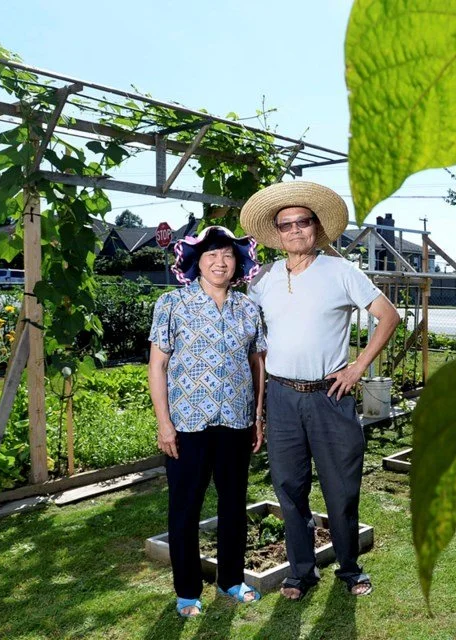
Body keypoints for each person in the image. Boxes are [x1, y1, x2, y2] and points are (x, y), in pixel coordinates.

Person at [241, 181, 401, 600]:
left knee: (341, 489)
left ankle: (349, 569)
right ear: (277, 234)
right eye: (287, 224)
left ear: (316, 227)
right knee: (289, 489)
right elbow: (252, 339)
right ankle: (300, 573)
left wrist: (358, 367)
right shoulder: (263, 279)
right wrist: (258, 407)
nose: (295, 230)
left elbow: (388, 316)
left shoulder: (341, 271)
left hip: (330, 395)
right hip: (281, 397)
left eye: (304, 222)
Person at [147, 225, 266, 618]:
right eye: (211, 254)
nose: (220, 261)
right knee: (185, 508)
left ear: (238, 264)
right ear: (196, 262)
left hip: (236, 422)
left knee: (234, 505)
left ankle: (231, 579)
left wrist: (257, 417)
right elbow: (157, 366)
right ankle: (187, 591)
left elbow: (257, 365)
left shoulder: (249, 308)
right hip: (188, 425)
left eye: (228, 255)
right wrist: (164, 424)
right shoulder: (172, 304)